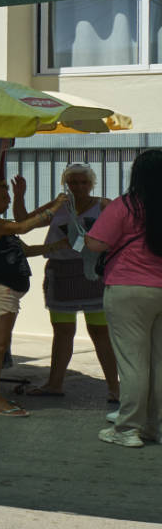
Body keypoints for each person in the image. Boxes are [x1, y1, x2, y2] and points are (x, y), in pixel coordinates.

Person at [14, 164, 119, 403]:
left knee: (100, 332)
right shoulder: (58, 205)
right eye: (73, 183)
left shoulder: (104, 205)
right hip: (60, 273)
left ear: (91, 184)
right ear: (66, 184)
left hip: (93, 275)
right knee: (62, 332)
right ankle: (55, 383)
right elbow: (22, 220)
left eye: (83, 183)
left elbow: (121, 233)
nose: (78, 187)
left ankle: (115, 387)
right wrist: (19, 196)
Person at [86, 149, 162, 447]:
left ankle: (127, 428)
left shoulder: (125, 206)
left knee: (133, 362)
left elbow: (95, 244)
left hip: (128, 288)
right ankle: (155, 427)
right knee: (159, 363)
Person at [0, 177, 62, 417]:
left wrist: (56, 246)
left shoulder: (0, 224)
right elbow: (23, 227)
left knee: (0, 345)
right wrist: (55, 207)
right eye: (3, 196)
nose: (8, 200)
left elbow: (25, 250)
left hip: (6, 291)